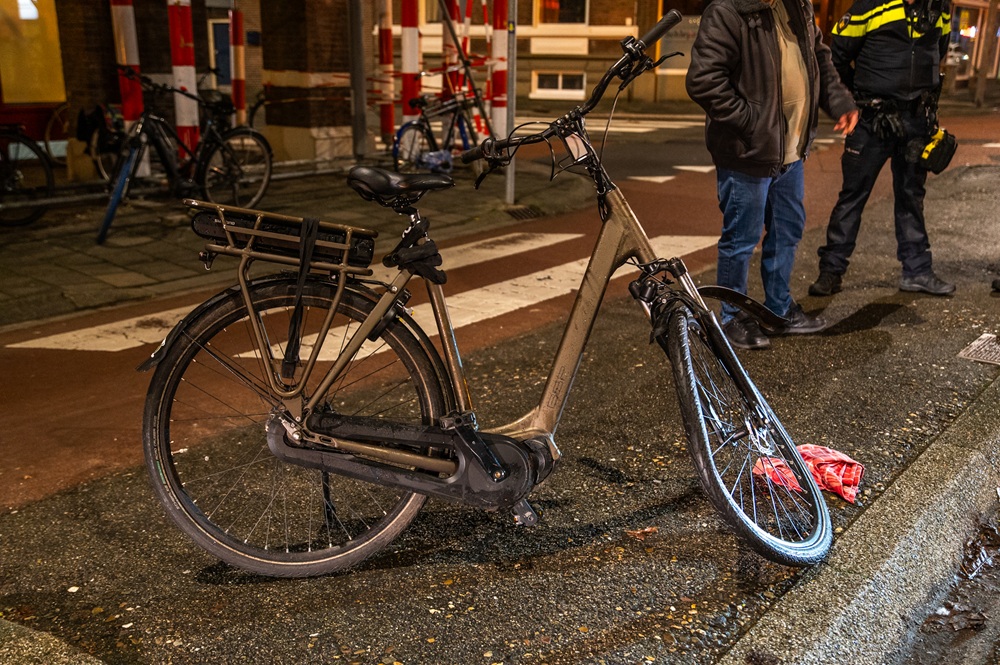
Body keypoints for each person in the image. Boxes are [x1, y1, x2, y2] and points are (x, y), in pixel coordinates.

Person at [686, 0, 858, 350]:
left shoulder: (797, 6)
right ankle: (734, 318)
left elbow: (819, 59)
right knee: (741, 239)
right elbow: (704, 80)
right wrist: (753, 124)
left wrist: (838, 100)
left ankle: (778, 310)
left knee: (787, 230)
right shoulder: (728, 11)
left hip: (790, 151)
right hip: (747, 152)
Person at [809, 0, 954, 297]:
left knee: (912, 196)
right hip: (872, 120)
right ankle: (831, 271)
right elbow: (835, 59)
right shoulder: (869, 5)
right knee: (853, 196)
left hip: (916, 120)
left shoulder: (940, 7)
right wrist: (857, 98)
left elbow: (939, 51)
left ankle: (917, 271)